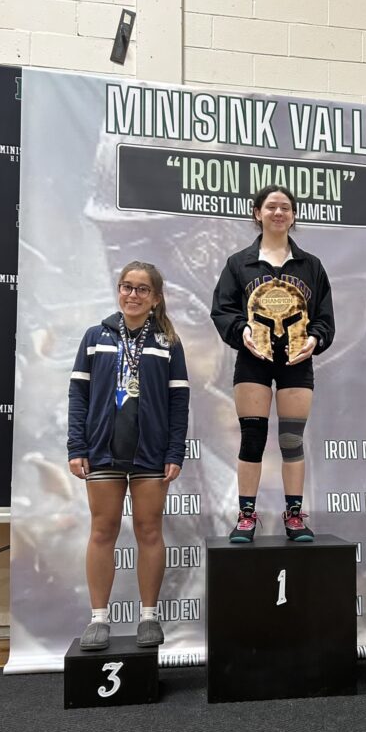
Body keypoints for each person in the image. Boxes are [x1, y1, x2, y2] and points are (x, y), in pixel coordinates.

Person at [68, 262, 190, 650]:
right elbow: (78, 397)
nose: (132, 295)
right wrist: (76, 446)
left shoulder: (168, 341)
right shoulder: (95, 337)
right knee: (102, 531)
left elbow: (179, 402)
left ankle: (149, 617)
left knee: (149, 530)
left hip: (150, 453)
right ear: (118, 290)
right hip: (103, 450)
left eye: (141, 289)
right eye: (126, 287)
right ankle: (98, 618)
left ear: (155, 298)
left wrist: (174, 450)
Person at [211, 185, 334, 543]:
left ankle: (294, 517)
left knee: (292, 439)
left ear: (293, 216)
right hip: (253, 361)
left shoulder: (311, 266)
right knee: (252, 438)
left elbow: (324, 317)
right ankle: (246, 517)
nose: (278, 213)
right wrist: (241, 333)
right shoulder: (239, 263)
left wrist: (315, 340)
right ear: (257, 213)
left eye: (285, 207)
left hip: (296, 362)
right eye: (271, 207)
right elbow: (223, 310)